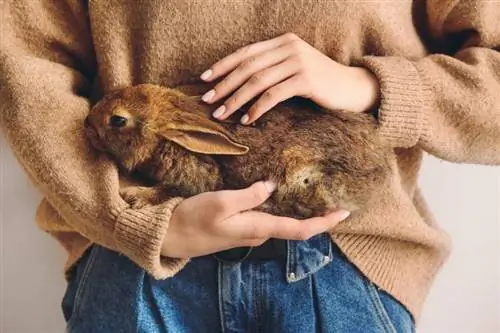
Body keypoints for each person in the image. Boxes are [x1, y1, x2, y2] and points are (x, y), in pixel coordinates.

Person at [1, 1, 499, 332]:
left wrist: (374, 87)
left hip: (348, 265)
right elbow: (26, 65)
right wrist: (126, 218)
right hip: (138, 266)